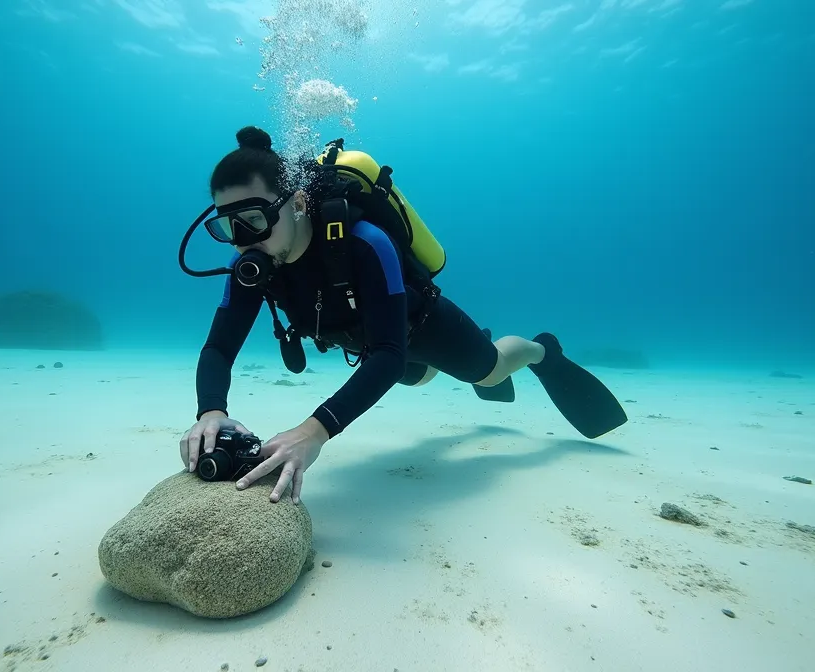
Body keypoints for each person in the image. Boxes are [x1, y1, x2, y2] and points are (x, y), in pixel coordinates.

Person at [178, 126, 627, 504]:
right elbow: (219, 347)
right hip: (373, 348)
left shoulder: (363, 241)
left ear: (296, 203)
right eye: (226, 225)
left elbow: (391, 354)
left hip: (419, 327)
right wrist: (210, 411)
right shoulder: (252, 268)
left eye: (253, 219)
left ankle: (539, 350)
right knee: (420, 376)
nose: (242, 241)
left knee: (487, 372)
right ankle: (452, 360)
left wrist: (313, 432)